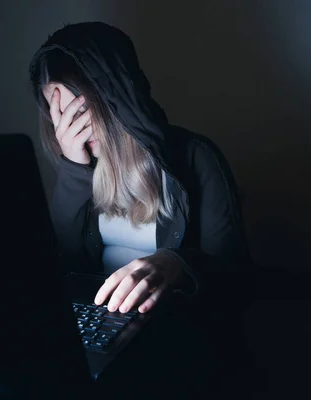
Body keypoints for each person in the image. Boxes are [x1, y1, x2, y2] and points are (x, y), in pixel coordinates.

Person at [29, 22, 250, 315]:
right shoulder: (80, 166)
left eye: (79, 111)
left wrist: (176, 264)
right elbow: (64, 263)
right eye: (60, 115)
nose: (71, 130)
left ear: (114, 95)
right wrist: (72, 168)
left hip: (173, 327)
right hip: (105, 323)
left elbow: (236, 275)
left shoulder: (197, 155)